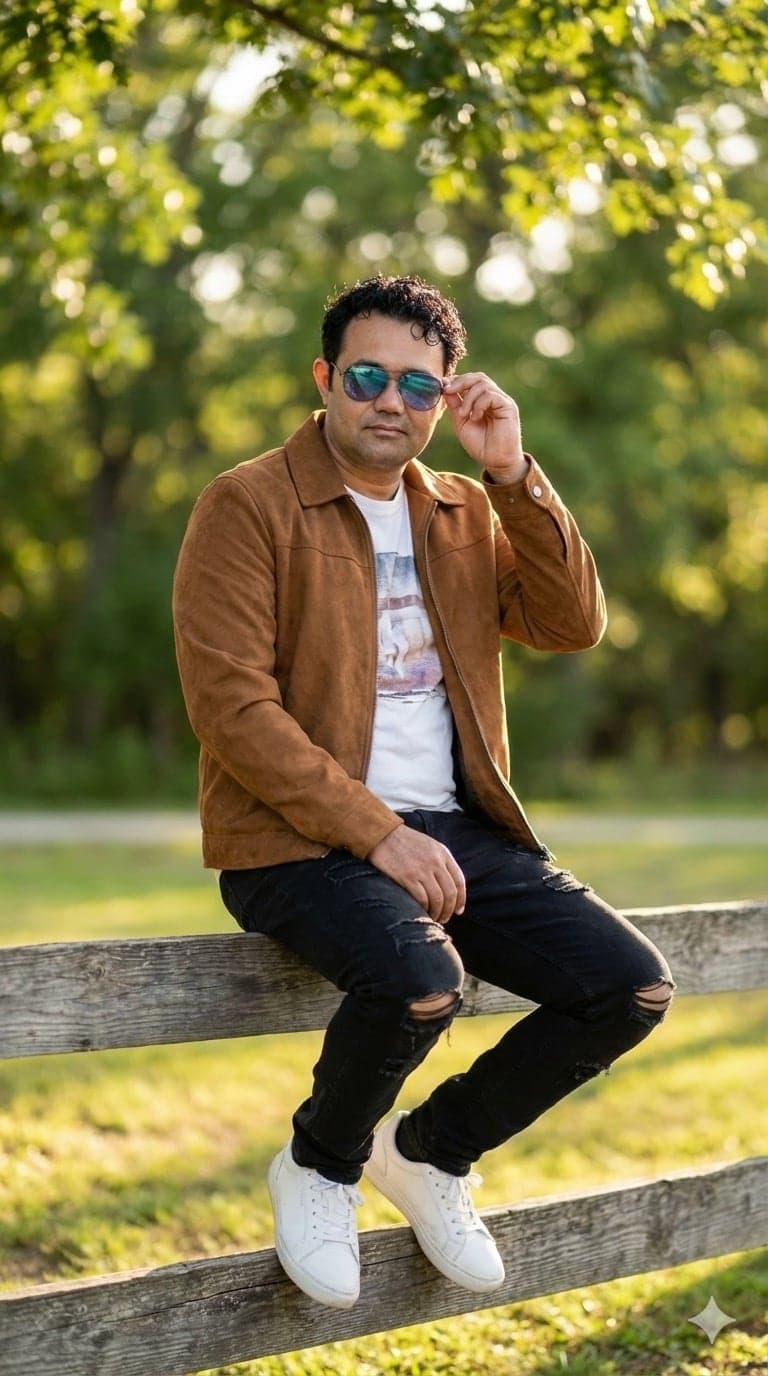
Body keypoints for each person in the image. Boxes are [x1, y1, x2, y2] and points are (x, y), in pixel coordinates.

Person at [173, 274, 675, 1310]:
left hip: (456, 829)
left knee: (628, 986)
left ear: (445, 398)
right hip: (291, 838)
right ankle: (320, 1164)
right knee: (418, 978)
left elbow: (572, 621)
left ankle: (432, 1151)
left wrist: (515, 473)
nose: (388, 400)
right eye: (366, 375)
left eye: (417, 384)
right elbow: (233, 708)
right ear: (324, 378)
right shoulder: (247, 502)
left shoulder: (459, 509)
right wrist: (377, 833)